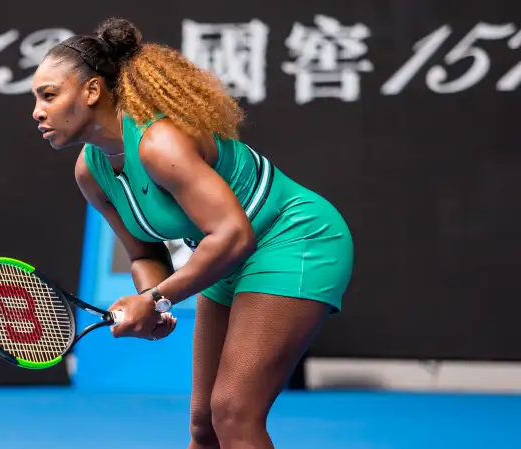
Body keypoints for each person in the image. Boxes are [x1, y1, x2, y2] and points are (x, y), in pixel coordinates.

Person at [31, 17, 354, 449]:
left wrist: (156, 298)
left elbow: (234, 234)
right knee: (204, 426)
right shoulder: (91, 172)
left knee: (234, 413)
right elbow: (145, 254)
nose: (37, 111)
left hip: (293, 238)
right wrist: (154, 303)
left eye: (48, 95)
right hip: (226, 261)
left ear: (91, 92)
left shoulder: (158, 144)